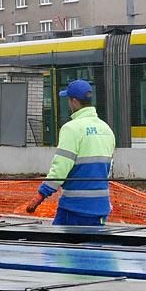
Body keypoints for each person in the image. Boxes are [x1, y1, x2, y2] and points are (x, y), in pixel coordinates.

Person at [27, 79, 116, 225]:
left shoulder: (71, 129)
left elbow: (60, 168)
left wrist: (42, 193)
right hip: (101, 209)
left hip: (75, 209)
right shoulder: (106, 129)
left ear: (74, 101)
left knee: (59, 246)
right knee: (94, 247)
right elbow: (106, 170)